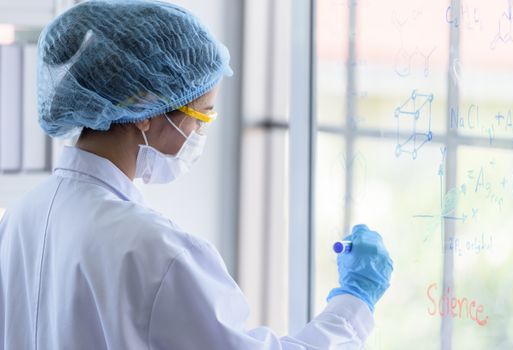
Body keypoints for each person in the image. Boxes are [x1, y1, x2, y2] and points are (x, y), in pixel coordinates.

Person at [0, 1, 393, 349]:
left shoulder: (22, 216)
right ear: (147, 110)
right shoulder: (156, 252)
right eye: (201, 115)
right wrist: (354, 302)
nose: (200, 134)